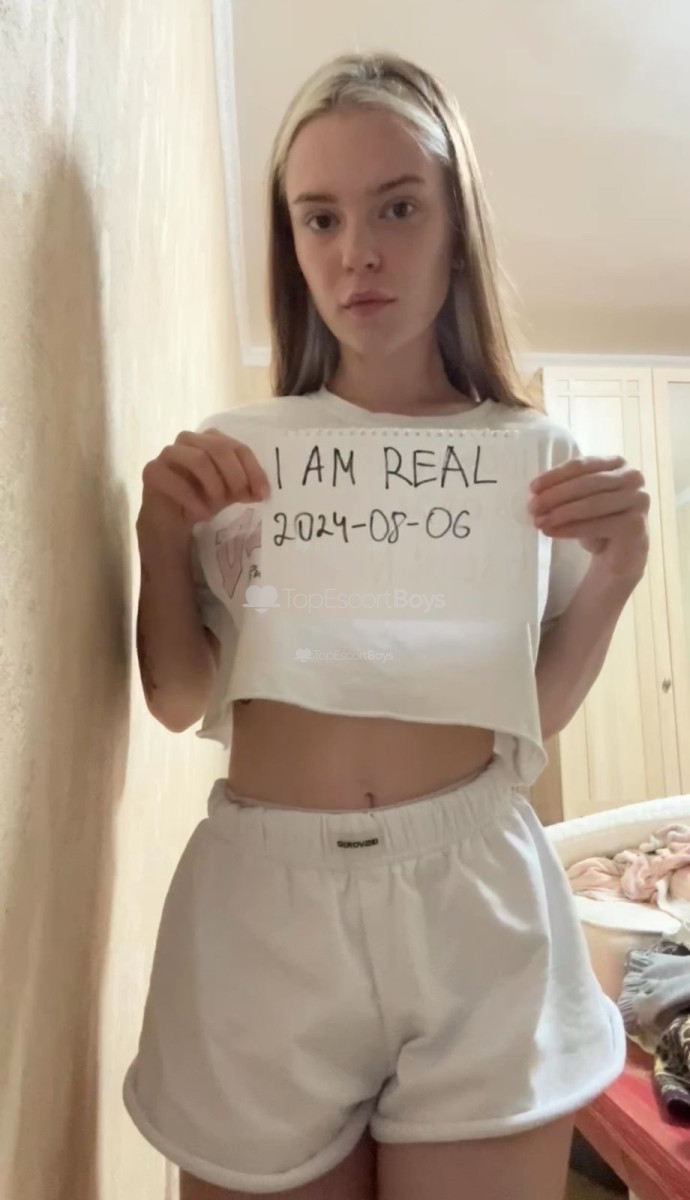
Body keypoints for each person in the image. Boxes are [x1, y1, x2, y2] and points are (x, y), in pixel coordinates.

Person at [123, 52, 650, 1200]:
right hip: (263, 909)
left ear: (456, 228)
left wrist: (619, 574)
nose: (357, 251)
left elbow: (523, 721)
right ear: (292, 242)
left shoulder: (532, 458)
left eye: (398, 208)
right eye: (321, 218)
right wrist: (158, 536)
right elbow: (176, 696)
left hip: (475, 897)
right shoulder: (239, 453)